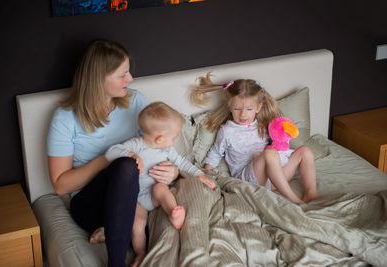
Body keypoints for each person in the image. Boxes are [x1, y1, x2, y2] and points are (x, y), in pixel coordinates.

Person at [47, 39, 180, 267]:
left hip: (136, 197)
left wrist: (173, 171)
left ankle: (114, 230)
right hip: (90, 204)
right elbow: (60, 185)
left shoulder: (136, 101)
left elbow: (163, 146)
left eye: (129, 72)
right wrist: (107, 159)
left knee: (136, 176)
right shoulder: (65, 117)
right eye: (122, 75)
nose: (130, 79)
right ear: (99, 78)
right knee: (124, 165)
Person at [105, 101, 216, 267]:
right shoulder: (136, 145)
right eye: (175, 136)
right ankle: (141, 252)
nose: (176, 139)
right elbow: (110, 152)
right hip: (138, 200)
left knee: (160, 188)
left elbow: (183, 163)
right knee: (137, 224)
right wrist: (130, 155)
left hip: (154, 194)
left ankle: (173, 212)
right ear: (160, 139)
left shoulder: (167, 150)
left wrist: (200, 175)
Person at [190, 73, 320, 204]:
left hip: (276, 177)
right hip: (250, 178)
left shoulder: (263, 125)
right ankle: (293, 199)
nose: (243, 114)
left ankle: (311, 193)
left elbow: (278, 141)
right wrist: (207, 175)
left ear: (258, 108)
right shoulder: (227, 131)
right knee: (269, 154)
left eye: (249, 109)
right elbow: (215, 153)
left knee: (305, 151)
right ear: (230, 106)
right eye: (237, 109)